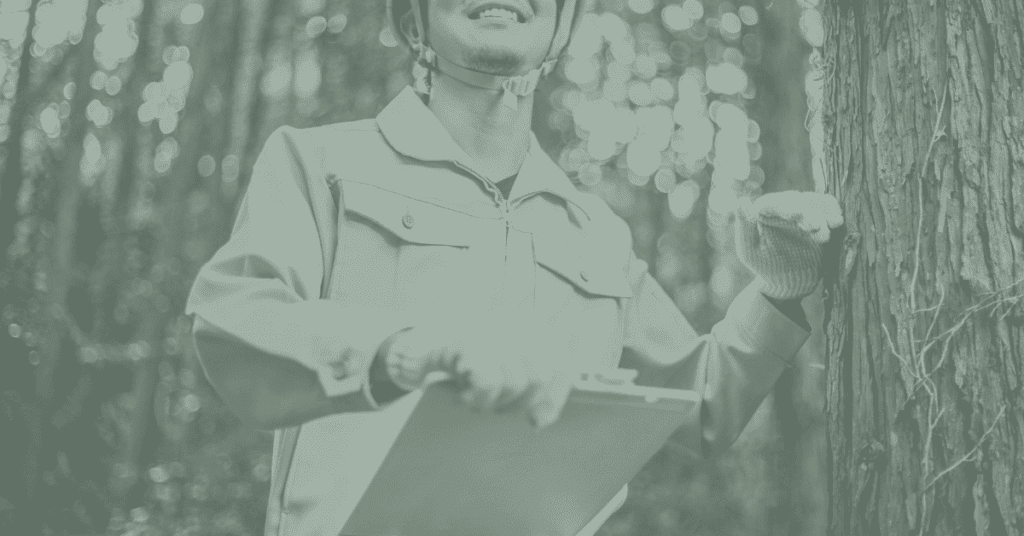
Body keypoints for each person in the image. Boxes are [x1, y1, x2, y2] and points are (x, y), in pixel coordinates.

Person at [184, 0, 844, 534]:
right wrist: (403, 352)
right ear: (413, 18)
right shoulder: (317, 162)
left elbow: (699, 407)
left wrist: (778, 291)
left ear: (563, 20)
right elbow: (232, 318)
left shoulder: (597, 233)